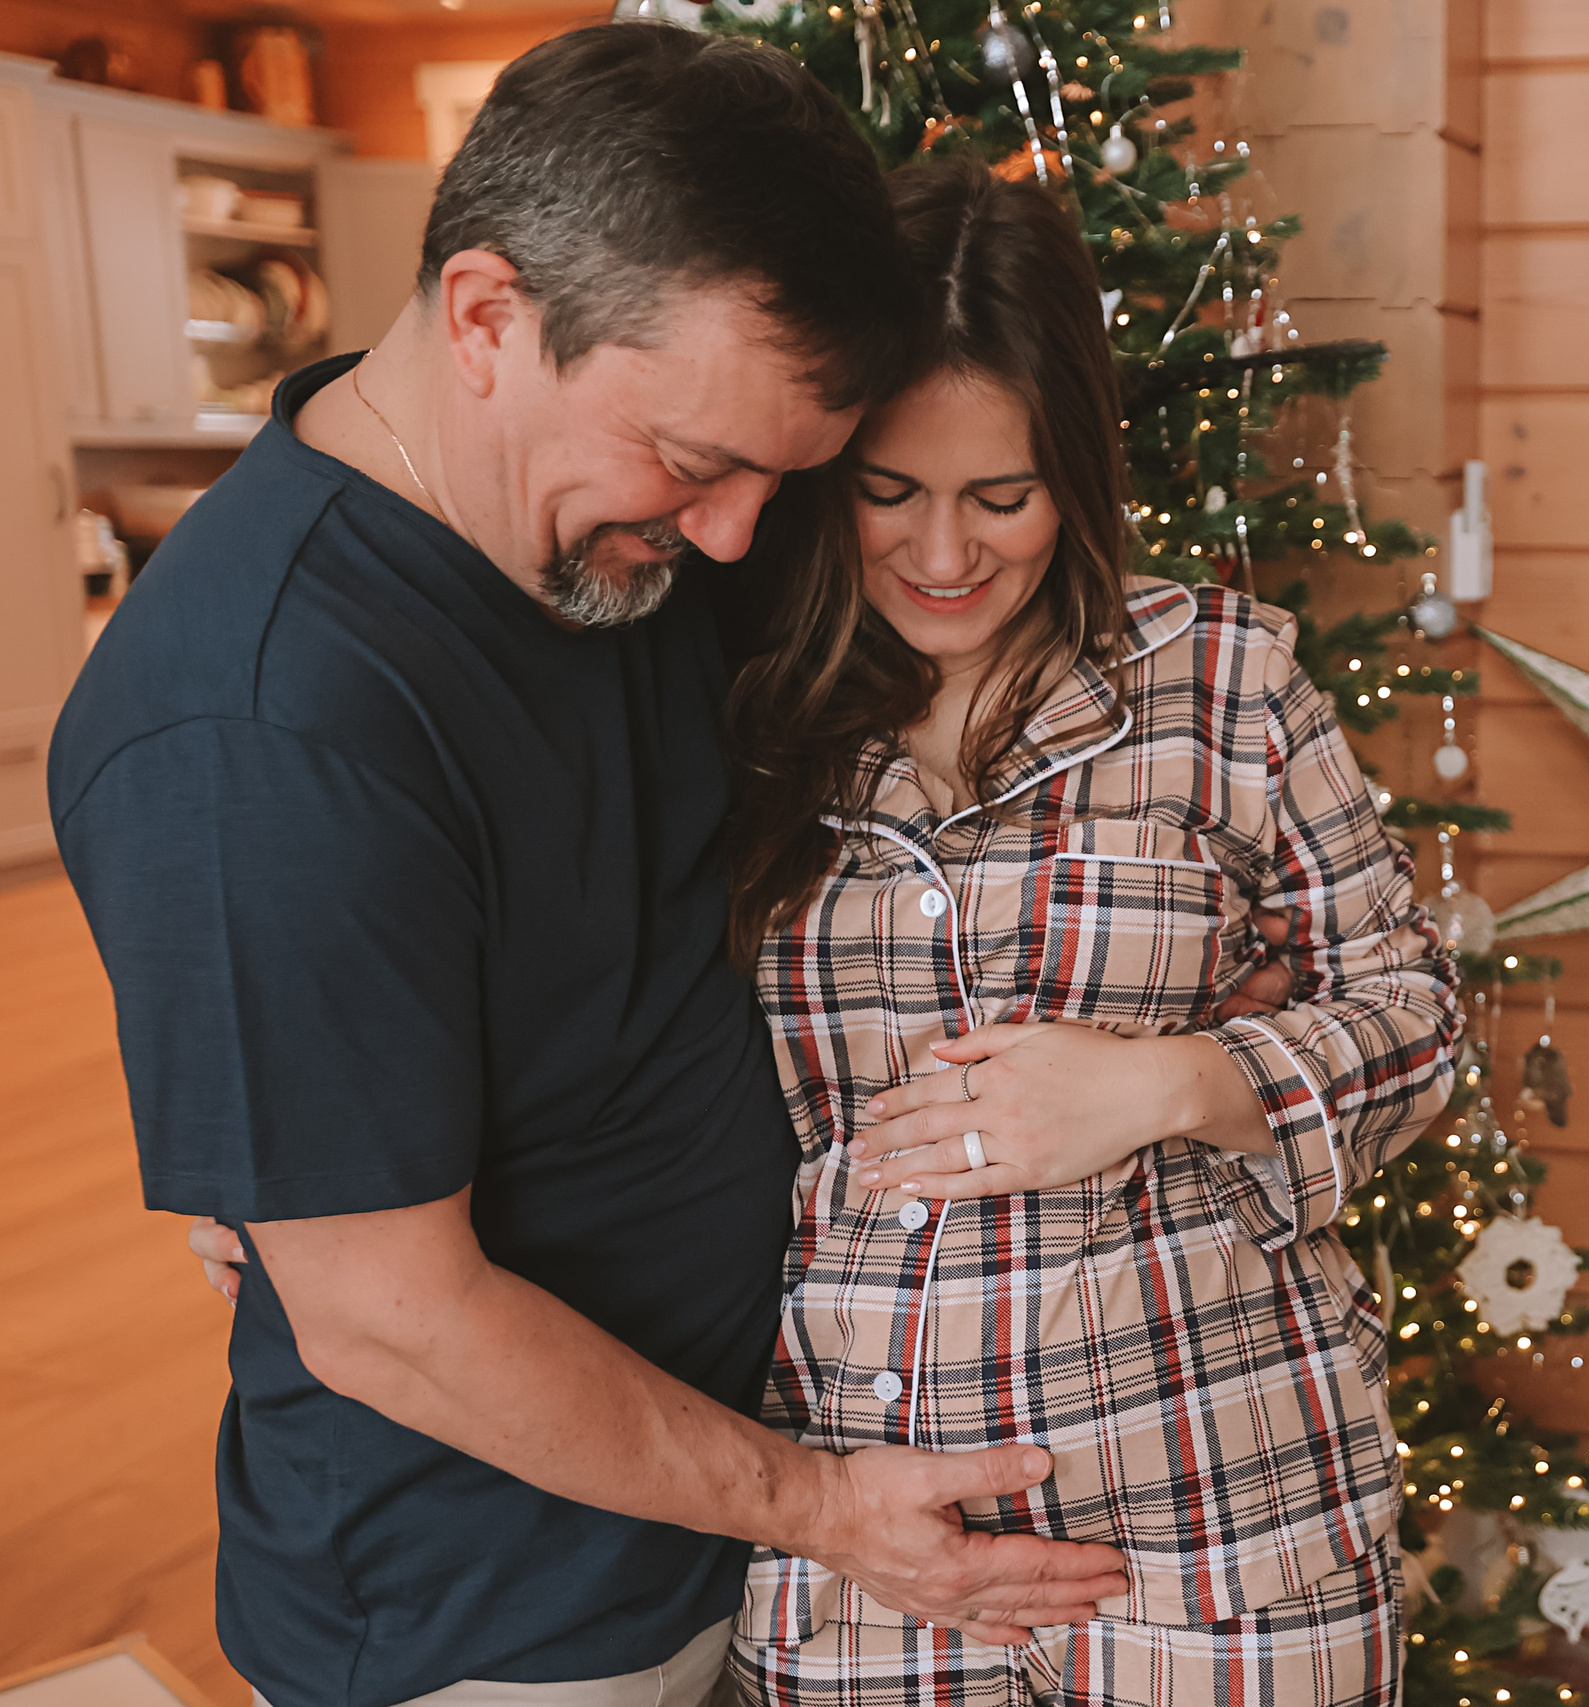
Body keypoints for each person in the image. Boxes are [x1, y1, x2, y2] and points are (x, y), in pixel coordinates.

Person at [55, 26, 1127, 1707]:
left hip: (731, 1535)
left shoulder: (614, 526)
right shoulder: (258, 727)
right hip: (491, 1622)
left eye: (784, 479)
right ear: (485, 317)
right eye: (695, 468)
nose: (732, 541)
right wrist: (832, 1507)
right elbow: (390, 1316)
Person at [714, 157, 1461, 1704]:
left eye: (1003, 495)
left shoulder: (1225, 683)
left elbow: (1419, 1013)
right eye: (889, 493)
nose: (942, 554)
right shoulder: (737, 707)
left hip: (1224, 1512)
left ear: (1080, 470)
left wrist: (1168, 1079)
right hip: (871, 1539)